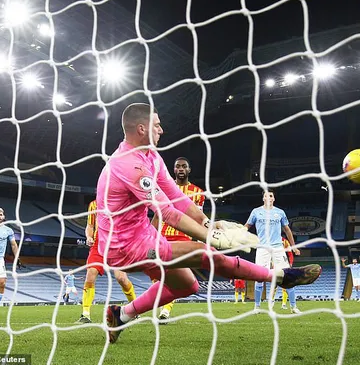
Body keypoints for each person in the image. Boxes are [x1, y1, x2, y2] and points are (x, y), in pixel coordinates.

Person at [97, 103, 321, 343]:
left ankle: (120, 315)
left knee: (187, 286)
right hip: (122, 247)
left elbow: (178, 197)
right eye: (157, 125)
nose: (161, 129)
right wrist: (211, 238)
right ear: (142, 128)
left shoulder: (151, 156)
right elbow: (167, 213)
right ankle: (281, 276)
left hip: (144, 236)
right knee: (205, 253)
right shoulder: (129, 164)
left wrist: (207, 223)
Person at [150, 157, 205, 320]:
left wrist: (200, 238)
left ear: (189, 170)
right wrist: (150, 235)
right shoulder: (164, 189)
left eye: (184, 166)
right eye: (178, 166)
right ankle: (159, 304)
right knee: (157, 274)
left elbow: (198, 217)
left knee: (175, 275)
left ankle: (166, 310)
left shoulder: (198, 193)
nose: (181, 169)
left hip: (183, 237)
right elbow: (157, 214)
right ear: (173, 170)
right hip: (163, 236)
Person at [78, 200, 137, 323]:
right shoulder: (94, 204)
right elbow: (90, 226)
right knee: (90, 275)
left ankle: (135, 308)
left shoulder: (121, 201)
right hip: (98, 244)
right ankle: (85, 314)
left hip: (117, 244)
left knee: (121, 278)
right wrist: (89, 237)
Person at [245, 190, 301, 313]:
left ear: (273, 199)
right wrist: (239, 237)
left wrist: (293, 247)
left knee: (287, 275)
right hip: (262, 248)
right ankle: (257, 307)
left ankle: (293, 307)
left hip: (278, 248)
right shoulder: (256, 212)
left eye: (271, 195)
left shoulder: (280, 212)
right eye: (266, 195)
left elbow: (287, 230)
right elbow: (246, 227)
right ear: (263, 198)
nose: (269, 197)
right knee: (258, 276)